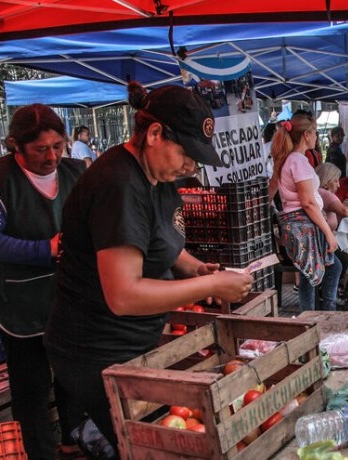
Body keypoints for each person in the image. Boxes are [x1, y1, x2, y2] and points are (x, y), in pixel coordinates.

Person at [44, 84, 253, 454]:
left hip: (132, 343)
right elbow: (124, 295)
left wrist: (195, 267)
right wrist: (217, 284)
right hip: (96, 350)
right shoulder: (119, 184)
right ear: (154, 134)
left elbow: (162, 241)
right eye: (187, 154)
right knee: (148, 447)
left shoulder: (156, 177)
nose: (192, 166)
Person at [0, 104, 86, 459]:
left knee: (72, 375)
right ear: (15, 145)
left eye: (58, 146)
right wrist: (44, 249)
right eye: (41, 149)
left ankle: (74, 441)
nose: (52, 156)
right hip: (17, 300)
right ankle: (40, 453)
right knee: (32, 384)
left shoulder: (76, 171)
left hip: (70, 293)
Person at [272, 112, 342, 312]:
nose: (317, 138)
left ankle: (314, 316)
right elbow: (308, 202)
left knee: (312, 273)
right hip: (305, 224)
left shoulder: (290, 160)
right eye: (315, 134)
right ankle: (322, 315)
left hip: (300, 224)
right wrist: (328, 233)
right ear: (306, 135)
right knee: (316, 274)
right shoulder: (298, 162)